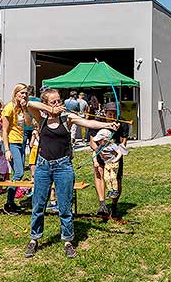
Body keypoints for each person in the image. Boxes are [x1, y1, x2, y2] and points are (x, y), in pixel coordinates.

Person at [25, 89, 118, 259]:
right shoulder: (41, 118)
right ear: (46, 104)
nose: (58, 104)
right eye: (54, 102)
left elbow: (88, 123)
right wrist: (50, 109)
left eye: (59, 101)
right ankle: (34, 239)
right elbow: (29, 103)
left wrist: (107, 125)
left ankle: (68, 241)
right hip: (43, 166)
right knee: (38, 205)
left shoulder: (66, 118)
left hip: (63, 166)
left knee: (65, 206)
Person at [90, 102, 129, 217]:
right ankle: (102, 204)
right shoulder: (97, 122)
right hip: (99, 152)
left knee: (116, 178)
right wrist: (99, 151)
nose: (112, 117)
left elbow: (124, 141)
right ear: (104, 112)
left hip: (114, 154)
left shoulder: (122, 123)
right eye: (109, 114)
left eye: (114, 114)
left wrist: (117, 153)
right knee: (99, 174)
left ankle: (114, 206)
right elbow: (92, 141)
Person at [2, 83, 31, 215]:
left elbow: (28, 123)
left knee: (18, 174)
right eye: (21, 92)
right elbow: (4, 130)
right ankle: (8, 203)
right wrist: (7, 149)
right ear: (16, 93)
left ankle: (11, 203)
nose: (24, 95)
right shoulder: (9, 108)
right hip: (12, 143)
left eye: (25, 93)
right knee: (19, 173)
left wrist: (25, 108)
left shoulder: (21, 108)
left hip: (21, 142)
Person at [92, 129, 125, 199]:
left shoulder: (112, 145)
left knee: (113, 177)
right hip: (107, 164)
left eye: (99, 140)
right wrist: (95, 161)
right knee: (106, 178)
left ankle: (115, 190)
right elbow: (95, 152)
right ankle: (110, 190)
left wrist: (116, 160)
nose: (98, 141)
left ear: (105, 139)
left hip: (113, 164)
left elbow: (120, 152)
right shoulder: (101, 146)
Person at [22, 85, 37, 154]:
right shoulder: (38, 100)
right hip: (34, 126)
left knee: (23, 146)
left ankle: (22, 163)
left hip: (24, 126)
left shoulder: (24, 101)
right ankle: (33, 163)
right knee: (33, 146)